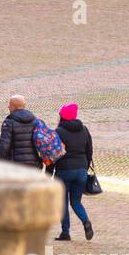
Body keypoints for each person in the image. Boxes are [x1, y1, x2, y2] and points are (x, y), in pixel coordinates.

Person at [53, 102, 95, 242]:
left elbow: (54, 154)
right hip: (81, 171)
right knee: (76, 202)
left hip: (64, 171)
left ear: (62, 117)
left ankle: (65, 232)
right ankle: (85, 221)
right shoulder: (84, 130)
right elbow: (89, 151)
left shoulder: (58, 132)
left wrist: (49, 172)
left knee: (62, 202)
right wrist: (85, 166)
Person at [0, 94, 43, 168]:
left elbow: (4, 146)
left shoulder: (9, 122)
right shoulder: (37, 121)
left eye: (10, 104)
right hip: (35, 165)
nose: (8, 107)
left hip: (16, 166)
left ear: (13, 106)